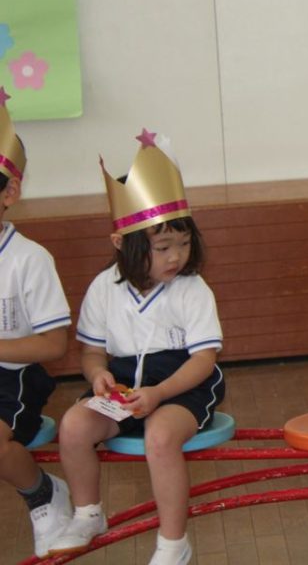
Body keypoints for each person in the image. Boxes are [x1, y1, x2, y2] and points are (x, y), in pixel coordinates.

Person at [49, 130, 224, 565]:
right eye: (163, 247)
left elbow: (204, 359)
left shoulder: (192, 289)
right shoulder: (103, 287)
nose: (176, 256)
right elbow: (92, 352)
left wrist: (160, 393)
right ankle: (88, 514)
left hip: (182, 385)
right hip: (125, 385)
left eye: (184, 244)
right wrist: (98, 376)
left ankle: (173, 544)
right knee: (73, 426)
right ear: (120, 243)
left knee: (160, 437)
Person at [0, 92, 73, 557]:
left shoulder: (29, 259)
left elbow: (53, 345)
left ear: (9, 193)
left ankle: (43, 494)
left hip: (15, 379)